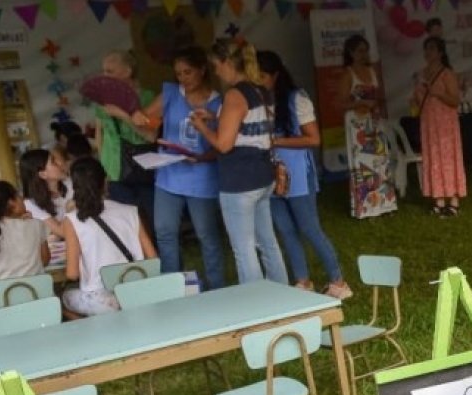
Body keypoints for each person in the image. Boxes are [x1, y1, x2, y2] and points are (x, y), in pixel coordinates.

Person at [191, 38, 288, 284]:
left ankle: (254, 307)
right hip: (262, 176)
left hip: (239, 181)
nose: (215, 71)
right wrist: (216, 116)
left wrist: (202, 127)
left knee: (244, 250)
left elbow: (224, 144)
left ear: (226, 62)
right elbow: (250, 125)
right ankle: (283, 296)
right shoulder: (261, 89)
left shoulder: (234, 95)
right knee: (268, 242)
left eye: (216, 65)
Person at [257, 51, 352, 299]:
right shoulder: (256, 101)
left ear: (276, 75)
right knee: (285, 230)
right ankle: (302, 281)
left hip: (298, 175)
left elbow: (313, 139)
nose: (259, 82)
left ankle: (338, 281)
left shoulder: (296, 98)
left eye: (263, 76)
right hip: (271, 176)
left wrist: (277, 140)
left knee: (310, 228)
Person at [131, 46, 227, 292]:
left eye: (188, 72)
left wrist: (203, 157)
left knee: (207, 235)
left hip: (202, 177)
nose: (183, 78)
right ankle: (174, 286)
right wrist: (138, 119)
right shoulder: (171, 93)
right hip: (168, 174)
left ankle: (217, 288)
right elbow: (148, 124)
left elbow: (224, 144)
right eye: (179, 74)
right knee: (164, 231)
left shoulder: (219, 102)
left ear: (202, 70)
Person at [60, 157, 157, 316]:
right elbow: (152, 258)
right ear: (105, 181)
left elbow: (72, 274)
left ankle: (93, 330)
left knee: (63, 299)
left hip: (103, 301)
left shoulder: (72, 220)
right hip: (137, 291)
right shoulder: (130, 211)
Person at [92, 50, 156, 237]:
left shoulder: (146, 97)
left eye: (110, 71)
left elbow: (150, 135)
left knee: (151, 221)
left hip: (143, 166)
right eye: (103, 71)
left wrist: (123, 115)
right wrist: (101, 168)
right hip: (113, 170)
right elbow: (100, 133)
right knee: (126, 225)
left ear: (127, 71)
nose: (105, 76)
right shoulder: (101, 102)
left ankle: (156, 261)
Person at [413, 37, 467, 218]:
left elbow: (455, 101)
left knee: (448, 158)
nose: (428, 53)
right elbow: (420, 101)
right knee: (433, 159)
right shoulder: (422, 74)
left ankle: (453, 200)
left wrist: (439, 93)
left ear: (440, 53)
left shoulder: (447, 74)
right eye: (426, 49)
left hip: (445, 124)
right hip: (429, 122)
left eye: (431, 49)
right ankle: (438, 199)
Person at [0, 180, 49, 280]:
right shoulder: (36, 225)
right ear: (11, 202)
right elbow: (45, 259)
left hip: (1, 293)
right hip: (39, 292)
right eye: (18, 195)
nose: (22, 198)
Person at [17, 147, 72, 240]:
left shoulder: (70, 184)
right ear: (43, 174)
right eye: (53, 162)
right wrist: (70, 208)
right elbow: (63, 232)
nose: (60, 163)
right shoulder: (31, 204)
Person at [337, 35, 382, 117]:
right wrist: (361, 103)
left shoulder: (373, 71)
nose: (364, 55)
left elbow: (379, 97)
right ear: (351, 53)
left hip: (374, 118)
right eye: (360, 51)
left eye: (366, 51)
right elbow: (341, 105)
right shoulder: (347, 75)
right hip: (355, 122)